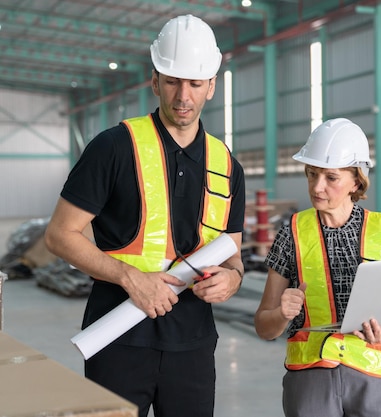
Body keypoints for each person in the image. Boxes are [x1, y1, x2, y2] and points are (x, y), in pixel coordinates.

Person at [44, 14, 245, 417]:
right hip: (118, 338)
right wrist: (129, 278)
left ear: (211, 86)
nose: (182, 96)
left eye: (194, 83)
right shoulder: (113, 147)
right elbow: (60, 235)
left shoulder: (227, 165)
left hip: (193, 345)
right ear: (155, 82)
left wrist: (233, 279)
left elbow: (232, 253)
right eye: (172, 81)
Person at [254, 118, 381, 417]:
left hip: (375, 373)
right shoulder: (292, 234)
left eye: (331, 178)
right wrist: (282, 314)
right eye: (312, 174)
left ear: (356, 181)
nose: (317, 187)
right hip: (312, 377)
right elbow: (264, 326)